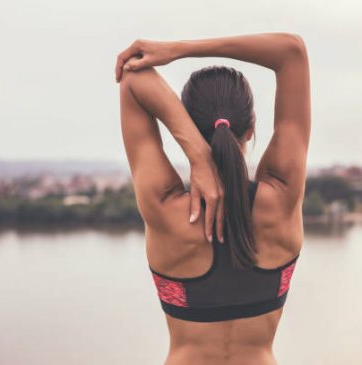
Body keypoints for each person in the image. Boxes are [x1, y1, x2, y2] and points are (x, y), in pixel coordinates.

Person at [115, 33, 310, 365]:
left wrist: (196, 153)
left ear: (189, 124)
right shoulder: (281, 198)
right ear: (250, 129)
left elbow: (134, 76)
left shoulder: (166, 208)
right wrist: (179, 48)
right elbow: (292, 52)